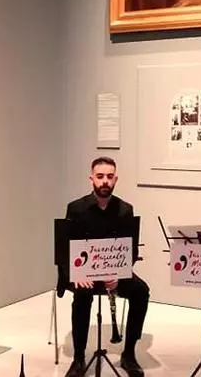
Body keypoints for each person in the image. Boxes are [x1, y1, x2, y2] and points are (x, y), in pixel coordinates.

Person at [56, 157, 150, 377]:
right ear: (92, 179)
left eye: (109, 176)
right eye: (100, 176)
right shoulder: (76, 208)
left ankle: (129, 354)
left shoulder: (125, 209)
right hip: (82, 273)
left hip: (113, 273)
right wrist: (76, 274)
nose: (105, 181)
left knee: (141, 291)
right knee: (82, 294)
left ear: (115, 179)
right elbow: (65, 248)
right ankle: (79, 357)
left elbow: (130, 249)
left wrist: (119, 274)